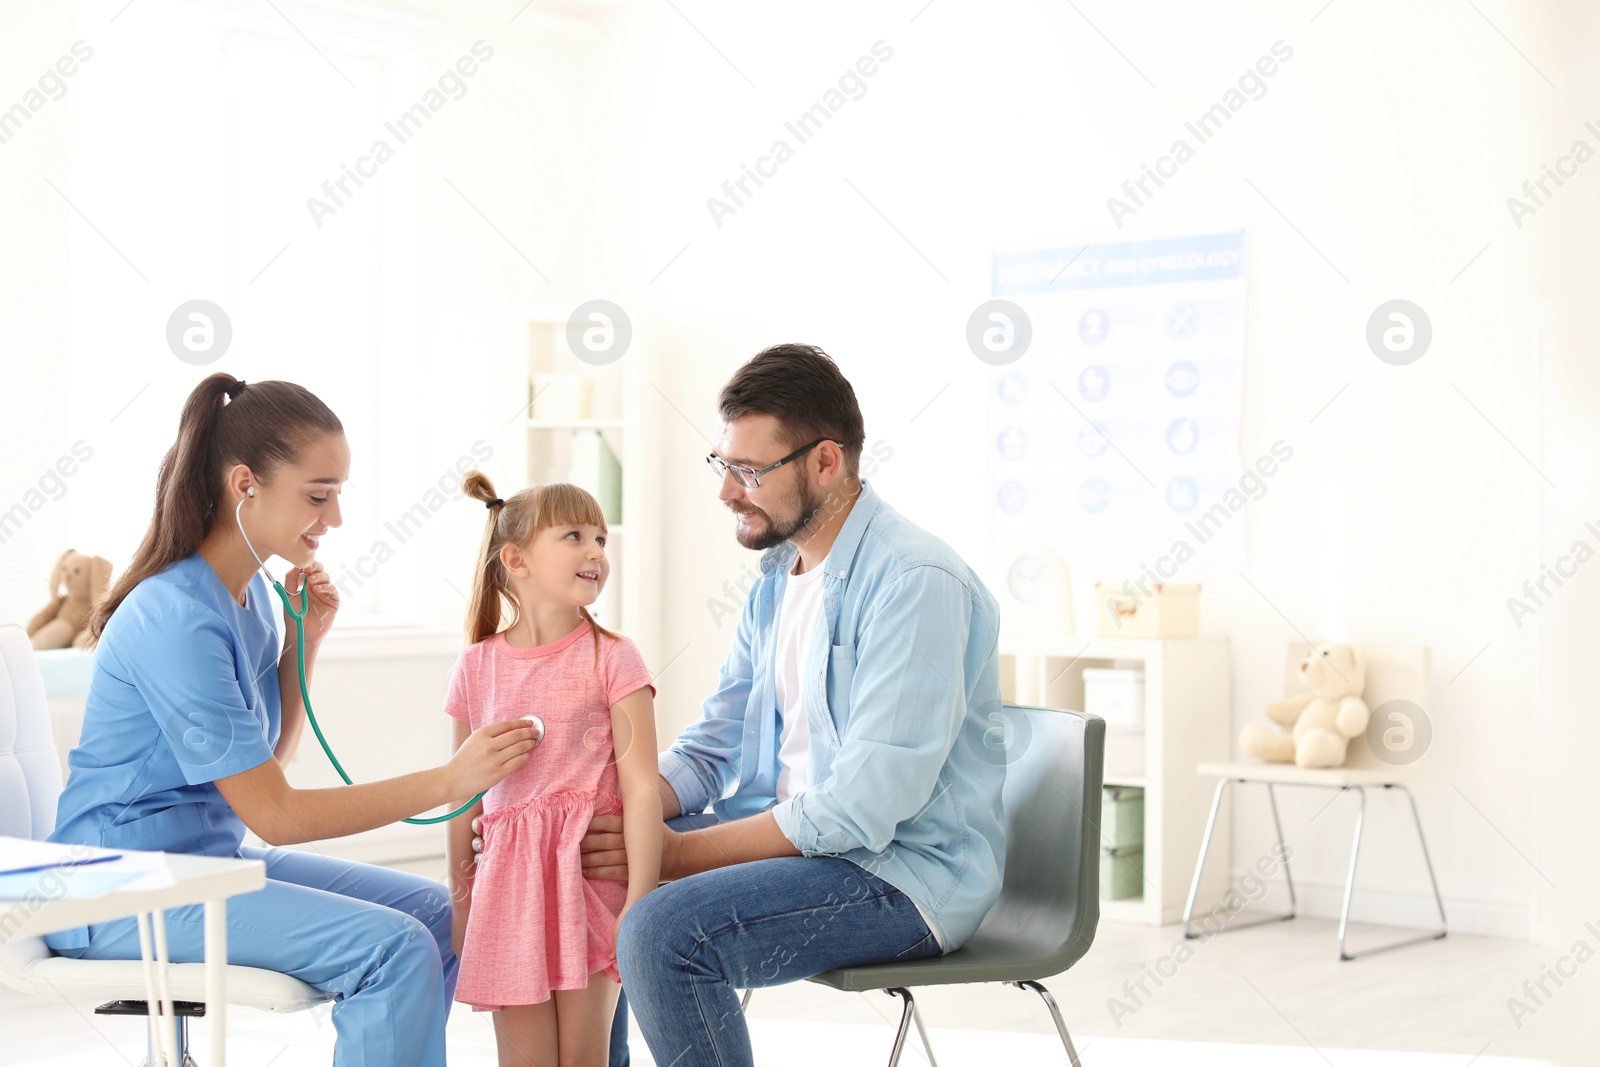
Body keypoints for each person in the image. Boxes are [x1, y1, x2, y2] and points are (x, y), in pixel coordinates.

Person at [481, 344, 1009, 1067]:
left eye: (749, 472)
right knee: (589, 859)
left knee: (661, 930)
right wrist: (608, 804)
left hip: (899, 876)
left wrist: (672, 852)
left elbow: (862, 807)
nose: (727, 491)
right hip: (808, 846)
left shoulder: (915, 581)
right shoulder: (774, 579)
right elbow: (712, 748)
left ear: (826, 462)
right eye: (722, 465)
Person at [44, 373, 540, 1067]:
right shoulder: (174, 617)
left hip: (203, 862)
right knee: (391, 948)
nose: (334, 518)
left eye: (338, 494)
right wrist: (454, 778)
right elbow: (276, 812)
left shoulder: (251, 599)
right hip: (116, 886)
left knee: (440, 916)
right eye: (318, 494)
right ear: (245, 483)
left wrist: (303, 645)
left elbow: (264, 769)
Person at [444, 472, 661, 1067]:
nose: (596, 551)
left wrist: (638, 904)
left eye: (601, 538)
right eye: (574, 536)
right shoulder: (476, 666)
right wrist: (463, 904)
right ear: (515, 559)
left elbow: (642, 790)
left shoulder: (615, 658)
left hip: (588, 886)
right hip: (507, 890)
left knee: (584, 1057)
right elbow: (461, 797)